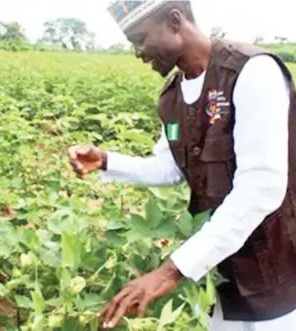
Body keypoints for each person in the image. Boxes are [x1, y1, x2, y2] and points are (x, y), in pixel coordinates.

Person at [68, 1, 296, 330]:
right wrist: (107, 161)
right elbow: (170, 167)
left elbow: (261, 186)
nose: (136, 52)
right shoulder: (172, 96)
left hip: (275, 272)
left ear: (175, 21)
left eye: (139, 38)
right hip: (217, 269)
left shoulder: (251, 71)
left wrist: (172, 269)